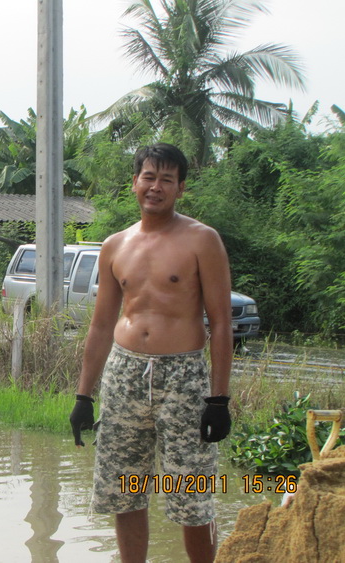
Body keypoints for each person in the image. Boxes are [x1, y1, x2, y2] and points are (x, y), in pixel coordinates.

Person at [69, 143, 233, 563]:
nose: (155, 187)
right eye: (148, 177)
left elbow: (221, 323)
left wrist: (218, 399)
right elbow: (102, 325)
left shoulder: (203, 240)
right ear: (134, 183)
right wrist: (84, 396)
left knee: (191, 493)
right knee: (125, 489)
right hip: (124, 374)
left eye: (166, 179)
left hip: (183, 377)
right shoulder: (115, 245)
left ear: (180, 188)